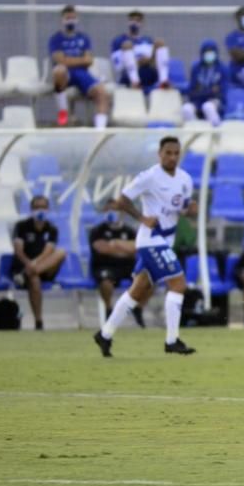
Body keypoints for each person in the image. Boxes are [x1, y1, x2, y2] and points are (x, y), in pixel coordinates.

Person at [93, 136, 197, 357]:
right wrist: (142, 217)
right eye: (168, 153)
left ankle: (105, 334)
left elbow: (185, 207)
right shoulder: (149, 177)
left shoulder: (186, 179)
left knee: (138, 289)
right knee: (178, 284)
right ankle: (172, 340)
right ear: (160, 154)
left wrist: (191, 210)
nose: (172, 157)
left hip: (167, 238)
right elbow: (122, 200)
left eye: (176, 153)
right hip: (151, 238)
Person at [11, 196, 68, 330]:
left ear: (48, 209)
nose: (40, 210)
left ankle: (27, 274)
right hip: (24, 266)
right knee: (35, 280)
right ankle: (38, 322)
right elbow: (18, 250)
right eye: (37, 207)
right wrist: (28, 263)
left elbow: (49, 251)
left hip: (43, 268)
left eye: (43, 207)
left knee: (61, 253)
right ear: (31, 210)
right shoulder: (21, 226)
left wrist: (34, 264)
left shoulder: (52, 229)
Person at [49, 5, 111, 128]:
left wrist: (70, 60)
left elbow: (89, 60)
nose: (70, 21)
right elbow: (60, 60)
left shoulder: (83, 38)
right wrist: (81, 60)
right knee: (59, 71)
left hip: (82, 73)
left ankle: (100, 130)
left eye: (73, 18)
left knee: (102, 92)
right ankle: (63, 112)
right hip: (66, 74)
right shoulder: (56, 39)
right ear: (62, 20)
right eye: (68, 18)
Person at [89, 202, 145, 326]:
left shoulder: (130, 231)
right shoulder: (97, 231)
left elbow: (135, 249)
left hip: (128, 267)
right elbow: (102, 249)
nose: (111, 213)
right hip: (105, 266)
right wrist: (124, 249)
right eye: (108, 210)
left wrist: (115, 243)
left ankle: (138, 308)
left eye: (115, 210)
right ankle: (109, 310)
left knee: (149, 279)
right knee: (105, 281)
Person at [109, 9, 171, 89]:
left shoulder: (148, 40)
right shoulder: (119, 40)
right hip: (128, 75)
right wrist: (138, 62)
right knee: (127, 44)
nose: (135, 22)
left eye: (138, 20)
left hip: (150, 72)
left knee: (160, 42)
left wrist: (147, 60)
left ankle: (163, 81)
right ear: (128, 21)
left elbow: (154, 60)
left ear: (142, 23)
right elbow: (118, 66)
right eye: (132, 19)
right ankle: (135, 82)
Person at [181, 39, 229, 125]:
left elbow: (222, 91)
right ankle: (196, 132)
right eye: (206, 52)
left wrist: (202, 91)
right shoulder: (196, 68)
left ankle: (217, 133)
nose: (209, 54)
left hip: (216, 101)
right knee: (186, 108)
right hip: (197, 101)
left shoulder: (222, 68)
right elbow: (192, 91)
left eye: (211, 51)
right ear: (202, 53)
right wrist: (210, 91)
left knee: (208, 107)